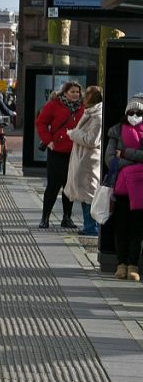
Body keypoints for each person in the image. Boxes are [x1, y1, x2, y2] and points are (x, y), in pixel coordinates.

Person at [104, 94, 143, 280]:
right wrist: (135, 163)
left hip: (140, 189)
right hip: (120, 188)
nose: (135, 115)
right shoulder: (116, 131)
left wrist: (126, 153)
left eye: (139, 112)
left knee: (138, 228)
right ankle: (121, 264)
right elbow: (110, 159)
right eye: (132, 111)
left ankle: (133, 265)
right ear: (126, 112)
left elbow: (119, 157)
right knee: (121, 227)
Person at [36, 81, 84, 228]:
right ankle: (45, 218)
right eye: (72, 92)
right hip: (56, 151)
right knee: (53, 185)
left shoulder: (83, 107)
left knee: (69, 186)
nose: (76, 94)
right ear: (65, 93)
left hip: (75, 152)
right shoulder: (54, 105)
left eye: (77, 92)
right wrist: (48, 140)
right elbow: (41, 123)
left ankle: (67, 218)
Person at [64, 86, 104, 236]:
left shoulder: (97, 116)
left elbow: (92, 140)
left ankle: (92, 227)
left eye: (86, 96)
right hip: (83, 159)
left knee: (90, 195)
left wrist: (74, 133)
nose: (83, 98)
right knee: (85, 193)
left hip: (89, 161)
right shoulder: (91, 113)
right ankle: (89, 226)